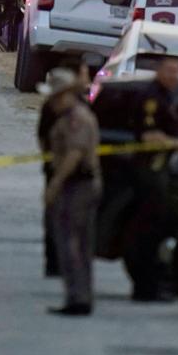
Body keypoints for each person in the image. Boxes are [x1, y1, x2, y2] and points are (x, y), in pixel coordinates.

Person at [42, 67, 101, 316]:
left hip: (78, 185)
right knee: (79, 243)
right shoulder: (70, 117)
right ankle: (80, 295)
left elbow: (74, 154)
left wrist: (55, 183)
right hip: (80, 184)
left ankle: (78, 297)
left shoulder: (76, 119)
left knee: (71, 243)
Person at [126, 56, 178, 302]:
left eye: (177, 72)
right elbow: (149, 137)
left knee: (155, 231)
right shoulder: (152, 98)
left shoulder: (165, 96)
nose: (174, 76)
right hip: (149, 171)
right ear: (159, 71)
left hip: (159, 171)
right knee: (147, 233)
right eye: (170, 71)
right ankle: (145, 288)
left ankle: (151, 285)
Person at [36, 58, 86, 277]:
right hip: (63, 169)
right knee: (59, 215)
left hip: (61, 168)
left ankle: (59, 262)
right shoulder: (71, 107)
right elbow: (44, 135)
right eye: (85, 72)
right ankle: (57, 262)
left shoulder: (71, 104)